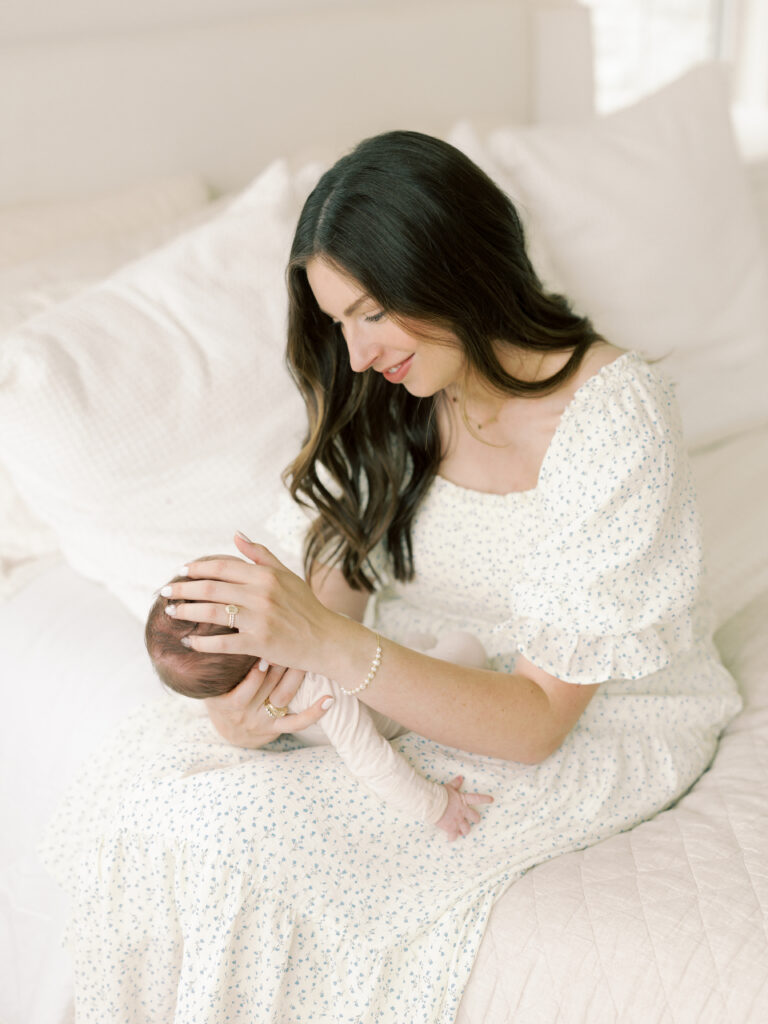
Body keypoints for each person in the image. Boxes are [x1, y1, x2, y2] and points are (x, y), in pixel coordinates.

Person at [45, 130, 741, 1022]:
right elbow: (332, 593)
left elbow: (535, 727)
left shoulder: (613, 415)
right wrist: (258, 703)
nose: (359, 353)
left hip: (590, 719)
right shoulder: (398, 392)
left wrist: (329, 644)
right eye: (338, 322)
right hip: (416, 669)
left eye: (372, 312)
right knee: (157, 801)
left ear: (456, 269)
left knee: (241, 842)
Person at [145, 558, 492, 839]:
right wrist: (438, 806)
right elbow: (371, 761)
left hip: (379, 655)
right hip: (408, 696)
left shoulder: (233, 682)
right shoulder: (321, 681)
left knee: (403, 644)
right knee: (467, 647)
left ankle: (414, 646)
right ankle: (427, 649)